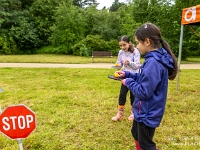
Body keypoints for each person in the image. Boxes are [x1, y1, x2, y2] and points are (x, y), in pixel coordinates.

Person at [117, 23, 178, 150]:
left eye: (138, 43)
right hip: (142, 110)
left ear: (147, 42)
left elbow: (144, 92)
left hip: (147, 113)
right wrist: (128, 74)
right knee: (136, 134)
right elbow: (144, 78)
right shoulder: (152, 60)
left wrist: (128, 82)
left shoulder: (153, 63)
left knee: (146, 144)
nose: (137, 46)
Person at [112, 35, 140, 122]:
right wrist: (117, 66)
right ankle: (119, 114)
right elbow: (119, 63)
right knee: (122, 95)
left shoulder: (135, 52)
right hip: (124, 75)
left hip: (134, 76)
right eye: (120, 45)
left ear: (129, 43)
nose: (122, 47)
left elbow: (137, 66)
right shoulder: (120, 52)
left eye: (124, 45)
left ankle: (133, 113)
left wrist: (130, 63)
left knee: (133, 96)